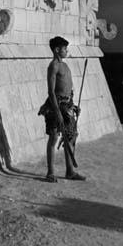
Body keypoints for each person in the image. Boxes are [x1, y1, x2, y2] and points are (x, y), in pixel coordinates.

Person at [39, 36, 86, 183]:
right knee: (54, 137)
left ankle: (70, 171)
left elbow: (67, 89)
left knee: (70, 137)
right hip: (55, 106)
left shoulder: (65, 66)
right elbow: (51, 92)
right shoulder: (53, 66)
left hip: (67, 105)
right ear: (57, 50)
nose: (67, 51)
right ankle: (50, 172)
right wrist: (57, 112)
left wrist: (73, 106)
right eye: (65, 49)